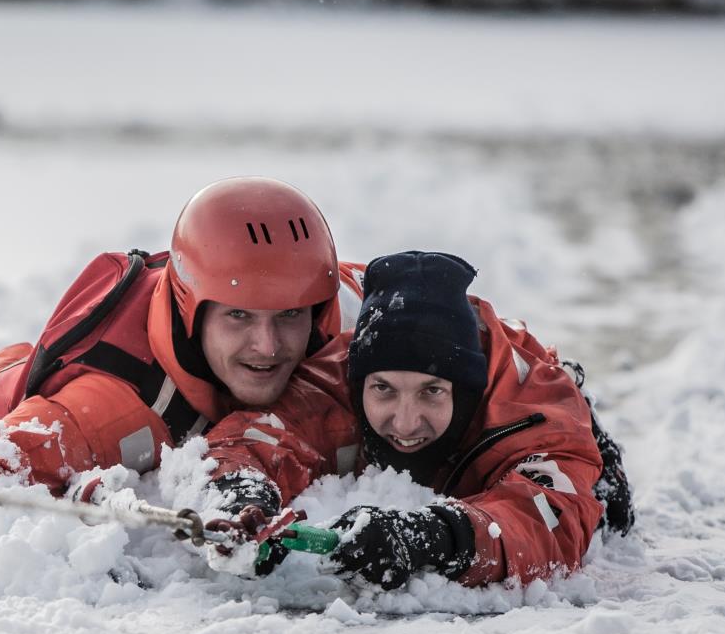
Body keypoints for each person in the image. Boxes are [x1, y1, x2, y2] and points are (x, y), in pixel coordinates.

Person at [0, 176, 366, 509]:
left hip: (53, 379)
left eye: (290, 316)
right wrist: (77, 504)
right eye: (239, 317)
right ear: (191, 308)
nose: (269, 345)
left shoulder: (323, 326)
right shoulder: (104, 413)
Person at [204, 250, 634, 589]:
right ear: (358, 384)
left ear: (464, 390)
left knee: (611, 515)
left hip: (543, 432)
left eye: (431, 391)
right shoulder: (335, 381)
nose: (406, 423)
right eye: (384, 390)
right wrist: (244, 501)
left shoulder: (531, 408)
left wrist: (433, 538)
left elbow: (551, 520)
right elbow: (249, 442)